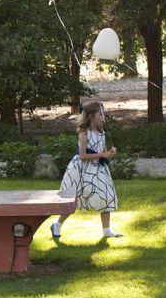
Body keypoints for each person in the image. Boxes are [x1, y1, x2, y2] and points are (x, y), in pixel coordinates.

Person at [50, 101, 122, 239]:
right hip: (81, 170)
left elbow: (103, 153)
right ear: (90, 117)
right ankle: (57, 224)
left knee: (106, 195)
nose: (103, 118)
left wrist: (110, 153)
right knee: (73, 199)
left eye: (103, 115)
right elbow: (82, 156)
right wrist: (103, 154)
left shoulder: (102, 134)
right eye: (100, 114)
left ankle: (107, 231)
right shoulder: (84, 133)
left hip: (99, 169)